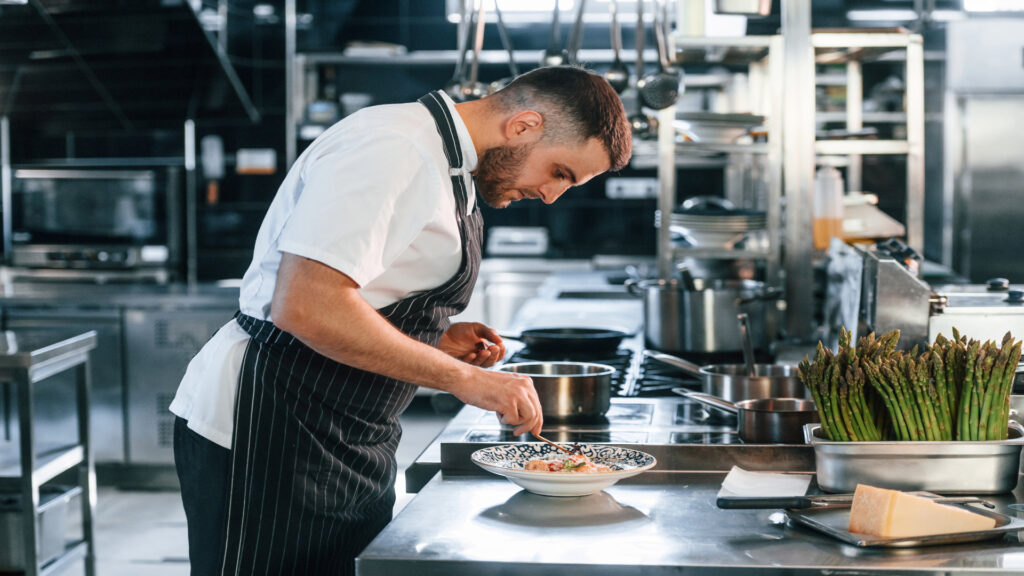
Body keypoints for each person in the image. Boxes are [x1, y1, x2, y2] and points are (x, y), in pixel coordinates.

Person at [169, 65, 632, 575]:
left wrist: (430, 337)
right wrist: (466, 379)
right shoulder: (394, 149)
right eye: (560, 173)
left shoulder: (450, 163)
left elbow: (364, 288)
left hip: (340, 431)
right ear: (523, 126)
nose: (551, 195)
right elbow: (306, 305)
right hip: (274, 424)